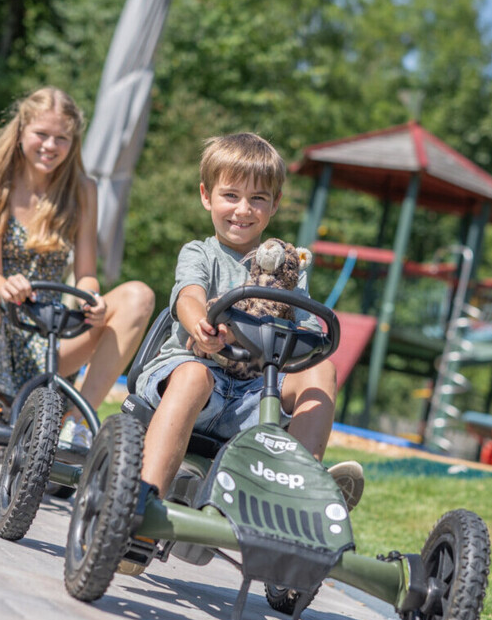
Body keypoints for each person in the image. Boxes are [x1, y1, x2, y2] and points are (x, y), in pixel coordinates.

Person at [128, 132, 363, 573]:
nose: (242, 209)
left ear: (274, 205)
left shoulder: (287, 266)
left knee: (323, 373)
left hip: (257, 394)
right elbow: (188, 295)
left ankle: (302, 495)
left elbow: (306, 322)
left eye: (257, 199)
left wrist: (309, 334)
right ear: (206, 196)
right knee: (196, 376)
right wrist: (200, 321)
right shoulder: (201, 252)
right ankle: (142, 509)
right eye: (230, 195)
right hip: (194, 375)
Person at [0, 86, 154, 445]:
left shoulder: (82, 190)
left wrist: (90, 297)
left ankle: (75, 424)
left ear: (73, 142)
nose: (50, 146)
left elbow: (86, 272)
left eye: (61, 138)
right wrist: (5, 286)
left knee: (138, 296)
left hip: (45, 333)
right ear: (21, 133)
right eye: (42, 135)